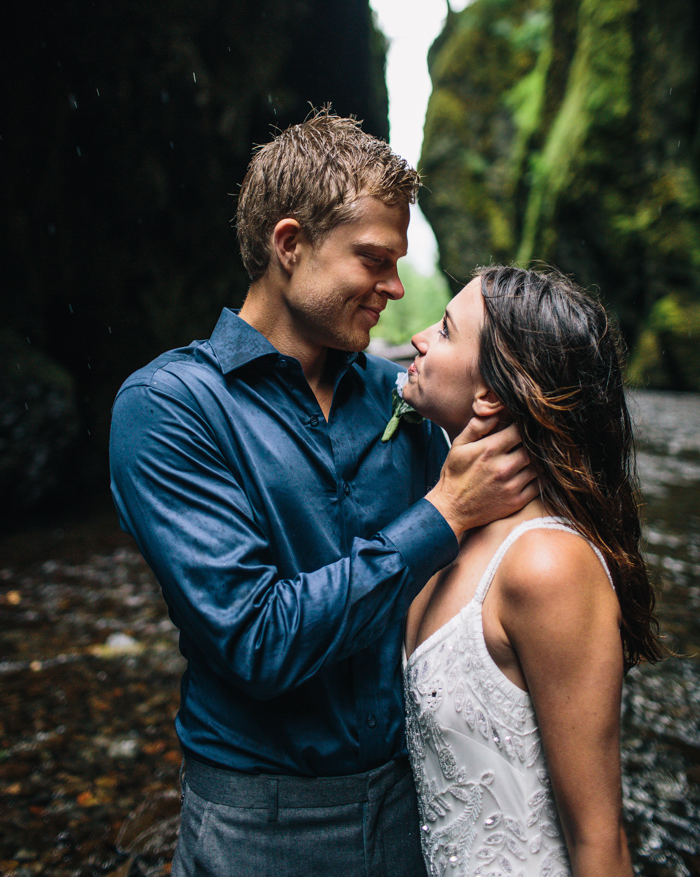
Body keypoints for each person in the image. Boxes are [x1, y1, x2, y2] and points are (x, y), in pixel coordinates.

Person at [109, 112, 537, 877]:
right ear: (288, 244)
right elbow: (256, 643)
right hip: (258, 821)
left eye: (399, 263)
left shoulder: (401, 398)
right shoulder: (168, 408)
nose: (395, 288)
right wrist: (442, 513)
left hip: (416, 798)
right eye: (373, 259)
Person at [402, 265, 663, 877]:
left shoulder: (547, 566)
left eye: (443, 330)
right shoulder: (446, 527)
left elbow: (600, 840)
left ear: (490, 394)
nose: (416, 337)